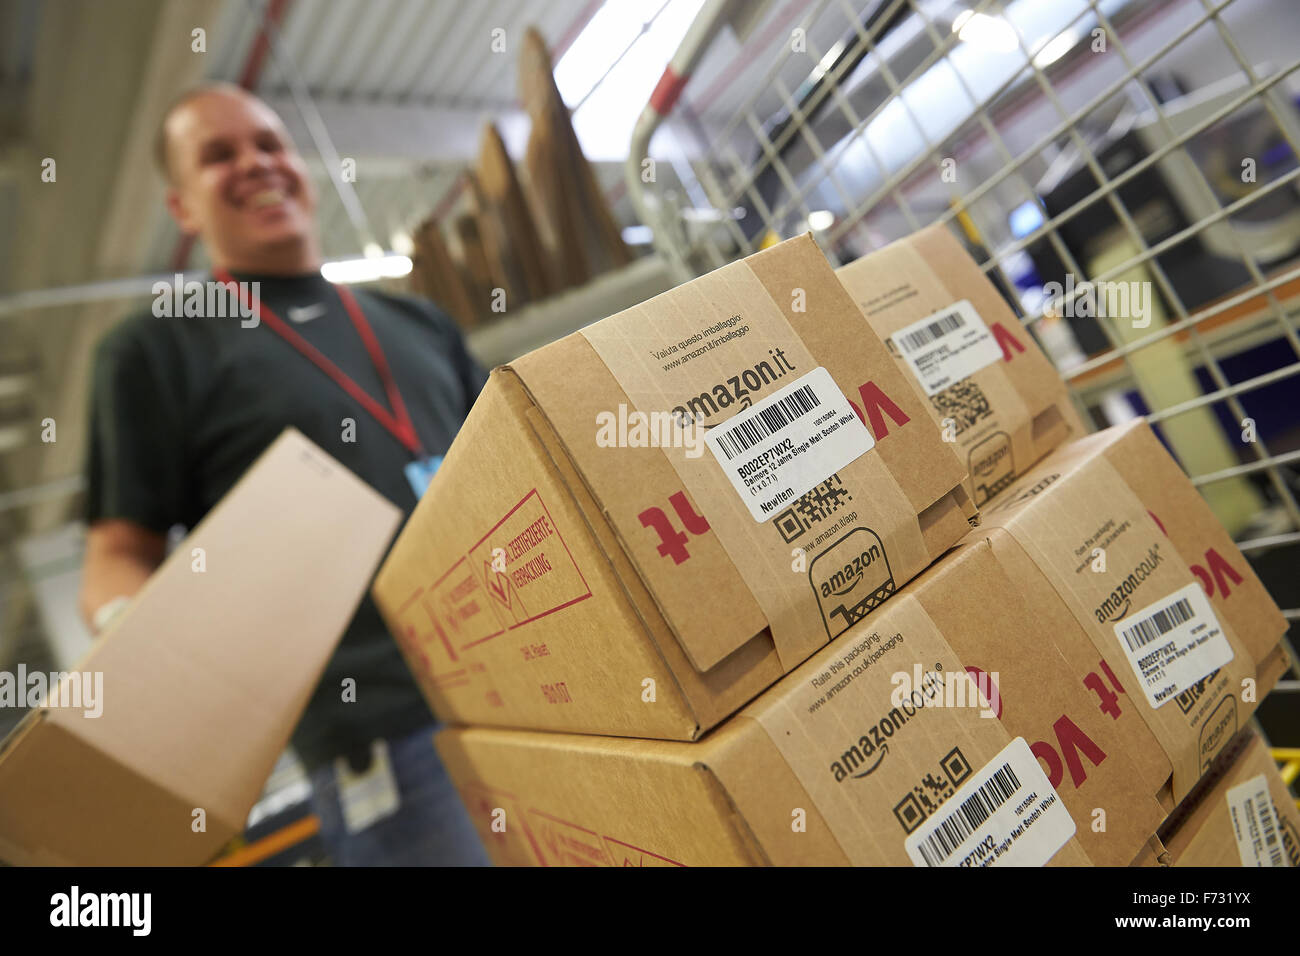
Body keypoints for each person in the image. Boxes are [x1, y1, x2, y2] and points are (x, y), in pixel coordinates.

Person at [78, 82, 489, 866]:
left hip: (535, 673)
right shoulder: (159, 349)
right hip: (388, 734)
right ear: (183, 210)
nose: (255, 163)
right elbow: (116, 554)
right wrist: (139, 645)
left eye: (269, 143)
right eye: (218, 155)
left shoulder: (416, 321)